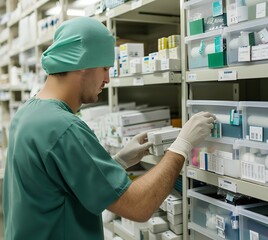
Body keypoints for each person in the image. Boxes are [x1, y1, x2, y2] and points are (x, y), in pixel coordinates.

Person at [2, 17, 215, 239]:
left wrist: (119, 162)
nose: (107, 79)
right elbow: (138, 206)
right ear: (82, 65)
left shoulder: (28, 114)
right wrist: (182, 145)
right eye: (104, 68)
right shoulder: (64, 128)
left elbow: (62, 183)